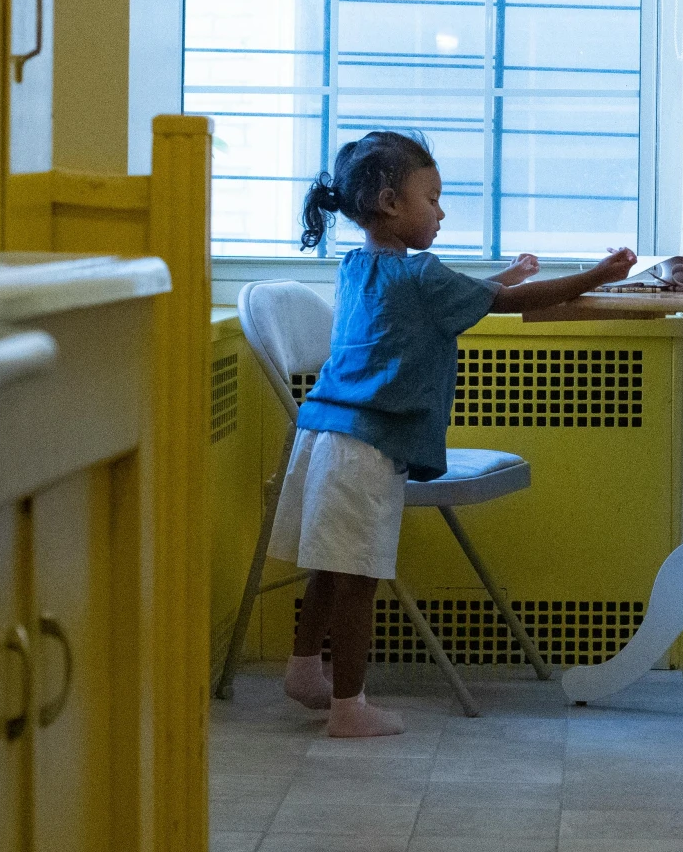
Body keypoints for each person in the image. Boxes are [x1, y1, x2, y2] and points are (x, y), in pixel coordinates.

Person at [272, 131, 636, 737]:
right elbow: (507, 304)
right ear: (391, 203)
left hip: (322, 436)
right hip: (366, 445)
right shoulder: (420, 277)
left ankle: (305, 668)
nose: (442, 212)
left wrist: (505, 275)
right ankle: (348, 709)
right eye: (433, 198)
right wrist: (595, 274)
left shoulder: (359, 265)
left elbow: (455, 298)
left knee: (331, 567)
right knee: (359, 578)